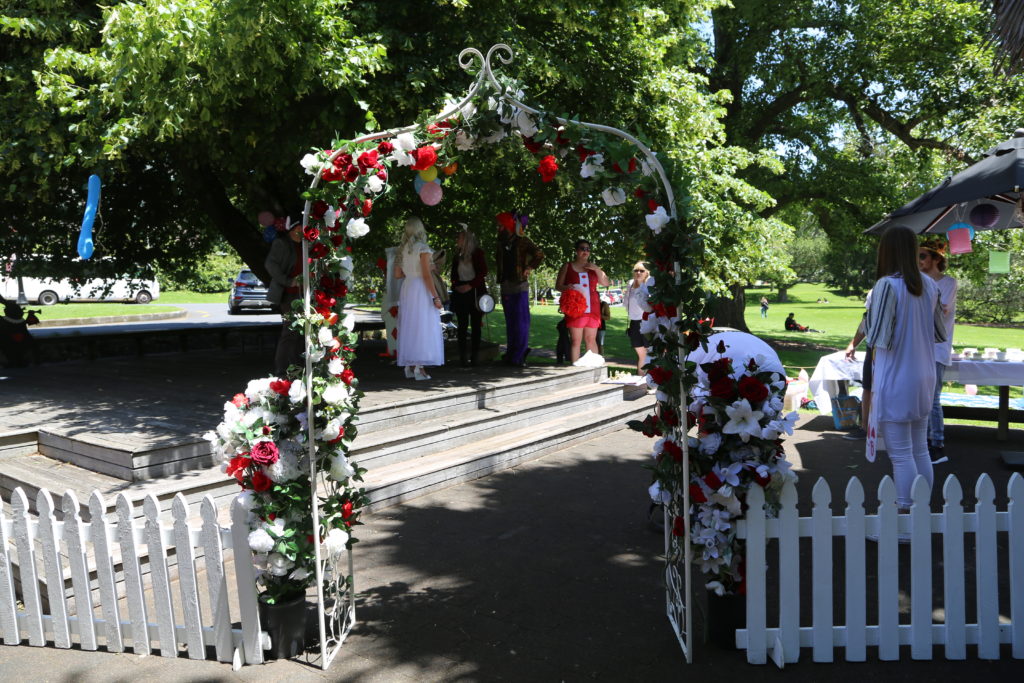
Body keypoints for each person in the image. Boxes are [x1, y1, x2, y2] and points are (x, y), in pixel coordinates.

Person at [864, 225, 946, 516]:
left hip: (897, 376)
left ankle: (905, 521)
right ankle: (921, 514)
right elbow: (939, 332)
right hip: (924, 374)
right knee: (919, 449)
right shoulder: (930, 285)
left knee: (901, 454)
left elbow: (876, 337)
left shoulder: (887, 285)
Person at [919, 237, 957, 464]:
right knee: (920, 397)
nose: (918, 260)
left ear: (936, 259)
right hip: (917, 349)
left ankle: (937, 445)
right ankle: (921, 442)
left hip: (937, 349)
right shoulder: (918, 282)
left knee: (932, 398)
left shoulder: (948, 283)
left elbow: (939, 312)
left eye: (922, 255)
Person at [394, 217, 444, 380]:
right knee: (422, 326)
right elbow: (426, 276)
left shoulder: (403, 249)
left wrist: (411, 271)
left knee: (410, 325)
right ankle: (419, 368)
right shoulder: (422, 248)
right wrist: (436, 297)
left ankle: (409, 366)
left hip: (408, 287)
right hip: (421, 288)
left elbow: (397, 274)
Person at [495, 212, 543, 366]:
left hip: (520, 286)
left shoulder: (523, 241)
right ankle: (511, 354)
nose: (498, 228)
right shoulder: (501, 243)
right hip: (506, 286)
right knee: (510, 323)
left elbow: (539, 254)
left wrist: (529, 267)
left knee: (521, 322)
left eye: (500, 225)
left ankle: (520, 354)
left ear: (508, 226)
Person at [556, 239, 610, 364]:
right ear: (576, 251)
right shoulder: (567, 266)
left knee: (591, 339)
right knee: (576, 340)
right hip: (575, 308)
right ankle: (575, 370)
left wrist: (596, 269)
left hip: (593, 309)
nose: (585, 251)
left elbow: (605, 282)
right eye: (582, 248)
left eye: (588, 249)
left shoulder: (593, 268)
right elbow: (558, 286)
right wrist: (566, 287)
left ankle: (594, 367)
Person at [266, 218, 304, 377]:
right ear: (293, 229)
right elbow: (270, 264)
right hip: (288, 294)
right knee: (290, 330)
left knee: (301, 331)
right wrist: (288, 281)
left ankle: (297, 367)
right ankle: (281, 370)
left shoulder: (305, 244)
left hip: (304, 293)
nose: (304, 230)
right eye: (301, 227)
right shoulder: (282, 243)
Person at [449, 226, 488, 367]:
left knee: (476, 325)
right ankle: (463, 356)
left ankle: (475, 355)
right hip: (461, 293)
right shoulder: (457, 254)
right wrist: (456, 285)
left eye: (459, 237)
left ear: (465, 239)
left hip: (475, 292)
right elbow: (453, 275)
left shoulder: (477, 253)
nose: (456, 240)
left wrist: (470, 285)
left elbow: (482, 272)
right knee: (462, 325)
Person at [624, 261, 654, 374]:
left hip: (647, 322)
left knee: (651, 354)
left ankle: (653, 383)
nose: (638, 272)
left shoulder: (649, 284)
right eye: (636, 270)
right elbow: (626, 303)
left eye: (642, 270)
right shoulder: (630, 284)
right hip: (634, 323)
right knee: (641, 355)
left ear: (647, 272)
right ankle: (641, 383)